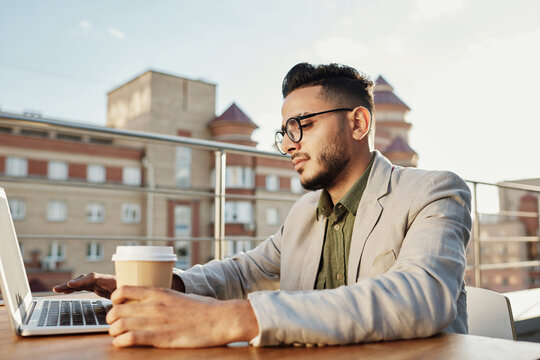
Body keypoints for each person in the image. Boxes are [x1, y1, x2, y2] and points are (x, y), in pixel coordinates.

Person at [54, 62, 472, 348]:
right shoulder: (304, 213)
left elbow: (421, 298)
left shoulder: (434, 191)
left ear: (358, 123)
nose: (289, 144)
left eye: (302, 126)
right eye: (284, 131)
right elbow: (243, 272)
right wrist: (165, 286)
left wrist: (227, 320)